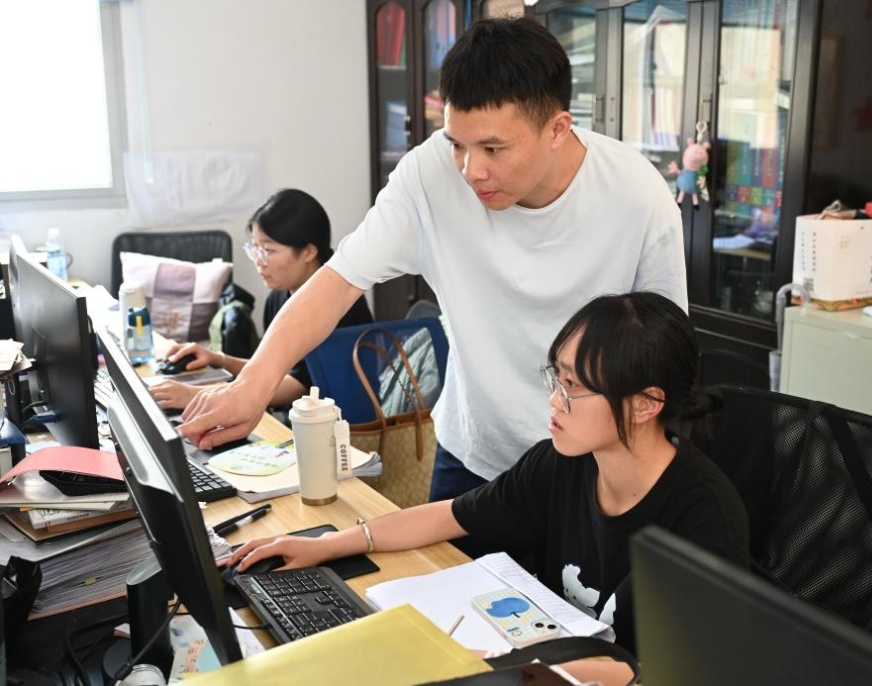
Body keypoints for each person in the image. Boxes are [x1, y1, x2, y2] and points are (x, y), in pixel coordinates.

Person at [179, 17, 687, 504]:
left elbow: (664, 355)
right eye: (457, 144)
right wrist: (252, 385)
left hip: (591, 466)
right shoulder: (428, 175)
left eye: (493, 148)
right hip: (475, 454)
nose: (470, 170)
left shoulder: (636, 195)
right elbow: (338, 282)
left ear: (557, 129)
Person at [226, 293, 749, 685]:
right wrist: (328, 544)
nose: (554, 400)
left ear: (645, 404)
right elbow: (452, 514)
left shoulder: (703, 515)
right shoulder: (562, 463)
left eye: (573, 387)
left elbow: (678, 671)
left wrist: (509, 664)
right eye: (556, 378)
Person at [150, 189, 372, 411]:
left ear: (308, 252)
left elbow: (300, 387)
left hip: (342, 420)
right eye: (255, 248)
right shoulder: (279, 296)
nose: (258, 261)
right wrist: (217, 359)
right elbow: (269, 370)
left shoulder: (336, 300)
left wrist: (197, 395)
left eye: (268, 250)